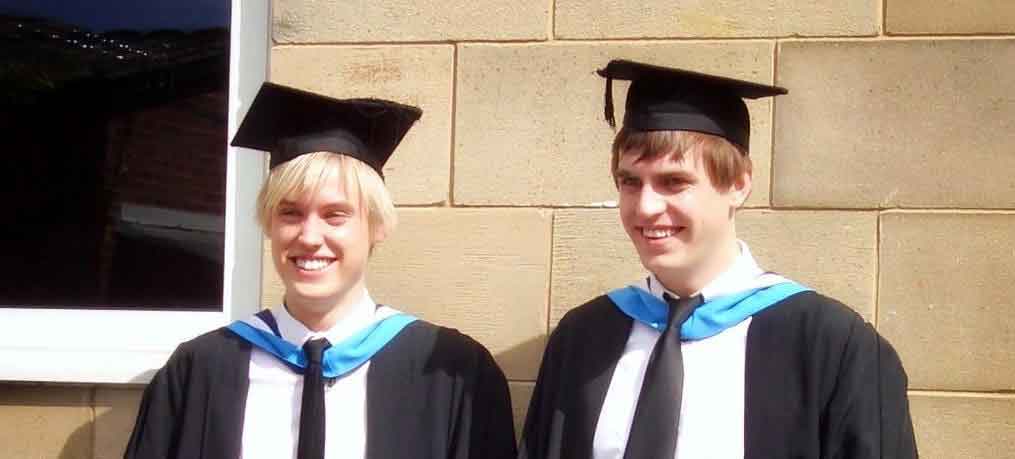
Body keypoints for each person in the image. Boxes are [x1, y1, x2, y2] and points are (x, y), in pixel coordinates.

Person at [518, 60, 917, 459]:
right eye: (630, 182)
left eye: (674, 182)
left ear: (738, 185)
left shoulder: (835, 347)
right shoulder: (583, 340)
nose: (646, 206)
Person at [124, 82, 517, 459]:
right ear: (269, 224)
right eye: (290, 213)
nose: (309, 237)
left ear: (377, 227)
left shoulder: (455, 374)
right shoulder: (198, 370)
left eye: (335, 215)